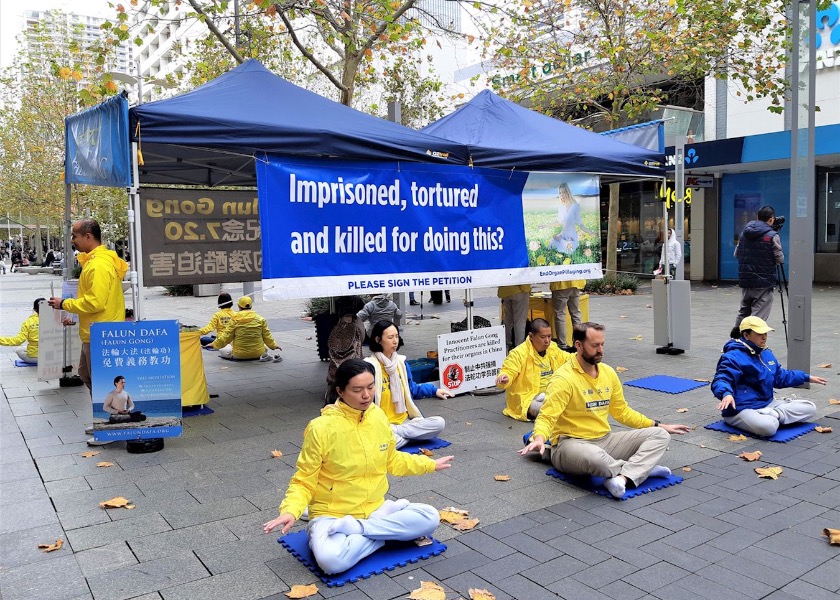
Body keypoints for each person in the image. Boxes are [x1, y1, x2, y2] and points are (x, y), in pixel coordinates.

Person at [262, 359, 453, 575]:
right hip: (332, 514)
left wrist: (428, 464)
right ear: (340, 391)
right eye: (357, 389)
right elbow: (304, 479)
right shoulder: (321, 428)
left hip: (374, 509)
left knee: (429, 517)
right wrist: (290, 511)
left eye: (371, 387)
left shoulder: (378, 416)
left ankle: (360, 531)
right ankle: (384, 535)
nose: (366, 395)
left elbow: (392, 460)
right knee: (330, 561)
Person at [520, 322, 690, 499]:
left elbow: (622, 412)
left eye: (602, 344)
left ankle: (624, 477)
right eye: (594, 345)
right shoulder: (563, 378)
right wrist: (539, 438)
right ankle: (641, 470)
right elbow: (547, 416)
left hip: (605, 440)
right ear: (578, 345)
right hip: (570, 444)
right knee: (596, 459)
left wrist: (659, 425)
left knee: (660, 436)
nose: (601, 350)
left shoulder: (608, 373)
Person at [47, 219, 128, 391]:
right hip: (96, 331)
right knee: (86, 374)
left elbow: (95, 303)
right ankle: (106, 411)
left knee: (100, 382)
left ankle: (109, 413)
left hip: (100, 334)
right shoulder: (98, 261)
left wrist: (64, 303)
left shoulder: (97, 265)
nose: (72, 241)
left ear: (88, 236)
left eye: (75, 236)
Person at [712, 316, 826, 437]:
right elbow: (722, 378)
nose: (764, 336)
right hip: (741, 408)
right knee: (769, 427)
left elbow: (779, 377)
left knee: (810, 408)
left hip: (767, 404)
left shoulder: (765, 352)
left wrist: (805, 377)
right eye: (759, 333)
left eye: (765, 333)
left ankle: (774, 414)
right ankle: (773, 416)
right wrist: (726, 394)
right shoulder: (732, 356)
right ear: (746, 335)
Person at [364, 320, 449, 449]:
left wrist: (434, 391)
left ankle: (399, 434)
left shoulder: (401, 363)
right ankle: (408, 436)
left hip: (405, 421)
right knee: (381, 443)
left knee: (439, 423)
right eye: (390, 337)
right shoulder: (369, 367)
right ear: (378, 339)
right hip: (382, 423)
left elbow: (412, 389)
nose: (395, 341)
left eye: (397, 336)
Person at [496, 318, 572, 421]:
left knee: (576, 403)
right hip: (528, 399)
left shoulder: (552, 348)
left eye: (549, 336)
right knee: (551, 410)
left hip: (552, 394)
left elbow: (569, 359)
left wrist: (585, 356)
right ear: (531, 336)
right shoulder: (518, 353)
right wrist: (505, 378)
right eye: (543, 337)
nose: (547, 341)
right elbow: (508, 371)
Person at [734, 205, 783, 334]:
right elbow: (779, 258)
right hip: (764, 281)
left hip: (747, 280)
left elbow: (737, 254)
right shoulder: (772, 235)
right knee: (758, 316)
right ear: (771, 219)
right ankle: (751, 342)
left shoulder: (744, 233)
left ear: (757, 217)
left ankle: (737, 336)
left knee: (744, 310)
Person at [207, 296, 282, 362]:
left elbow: (226, 337)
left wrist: (213, 345)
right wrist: (274, 346)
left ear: (239, 306)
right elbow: (267, 336)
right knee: (265, 347)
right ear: (251, 306)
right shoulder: (260, 319)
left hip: (239, 355)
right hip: (259, 353)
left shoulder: (234, 319)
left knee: (223, 349)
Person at [549, 184, 595, 254]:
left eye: (564, 192)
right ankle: (562, 240)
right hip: (563, 234)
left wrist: (590, 232)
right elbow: (558, 221)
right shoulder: (561, 207)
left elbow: (580, 224)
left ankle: (562, 241)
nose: (562, 195)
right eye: (560, 193)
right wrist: (545, 226)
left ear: (568, 193)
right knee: (551, 246)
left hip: (572, 235)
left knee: (569, 251)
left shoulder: (575, 206)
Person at [0, 298, 43, 364]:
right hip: (52, 356)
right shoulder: (54, 320)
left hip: (36, 357)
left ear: (34, 310)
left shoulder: (28, 322)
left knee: (19, 350)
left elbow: (18, 341)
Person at [549, 279, 584, 350]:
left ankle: (562, 344)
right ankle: (577, 342)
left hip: (560, 284)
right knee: (576, 314)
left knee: (560, 314)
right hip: (576, 283)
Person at [498, 284, 530, 350]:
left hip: (505, 291)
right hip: (519, 289)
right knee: (520, 320)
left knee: (508, 319)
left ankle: (506, 343)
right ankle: (519, 346)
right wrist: (526, 288)